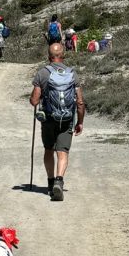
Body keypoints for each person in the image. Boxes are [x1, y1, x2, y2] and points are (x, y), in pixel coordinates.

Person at [29, 42, 85, 201]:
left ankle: (50, 182)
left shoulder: (42, 73)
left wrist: (35, 96)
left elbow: (34, 101)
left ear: (49, 57)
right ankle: (59, 181)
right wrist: (79, 122)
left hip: (48, 119)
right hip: (66, 119)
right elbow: (80, 102)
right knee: (63, 152)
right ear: (63, 56)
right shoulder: (72, 74)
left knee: (48, 149)